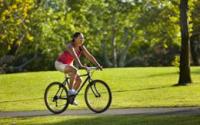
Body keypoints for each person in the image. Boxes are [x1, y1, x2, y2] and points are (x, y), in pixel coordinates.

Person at [55, 32, 102, 105]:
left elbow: (89, 56)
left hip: (69, 65)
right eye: (80, 38)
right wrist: (81, 65)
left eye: (83, 38)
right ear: (74, 38)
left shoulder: (81, 47)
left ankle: (71, 98)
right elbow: (75, 56)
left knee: (79, 80)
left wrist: (98, 65)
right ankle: (70, 91)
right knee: (74, 70)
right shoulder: (70, 46)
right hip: (60, 64)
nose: (82, 40)